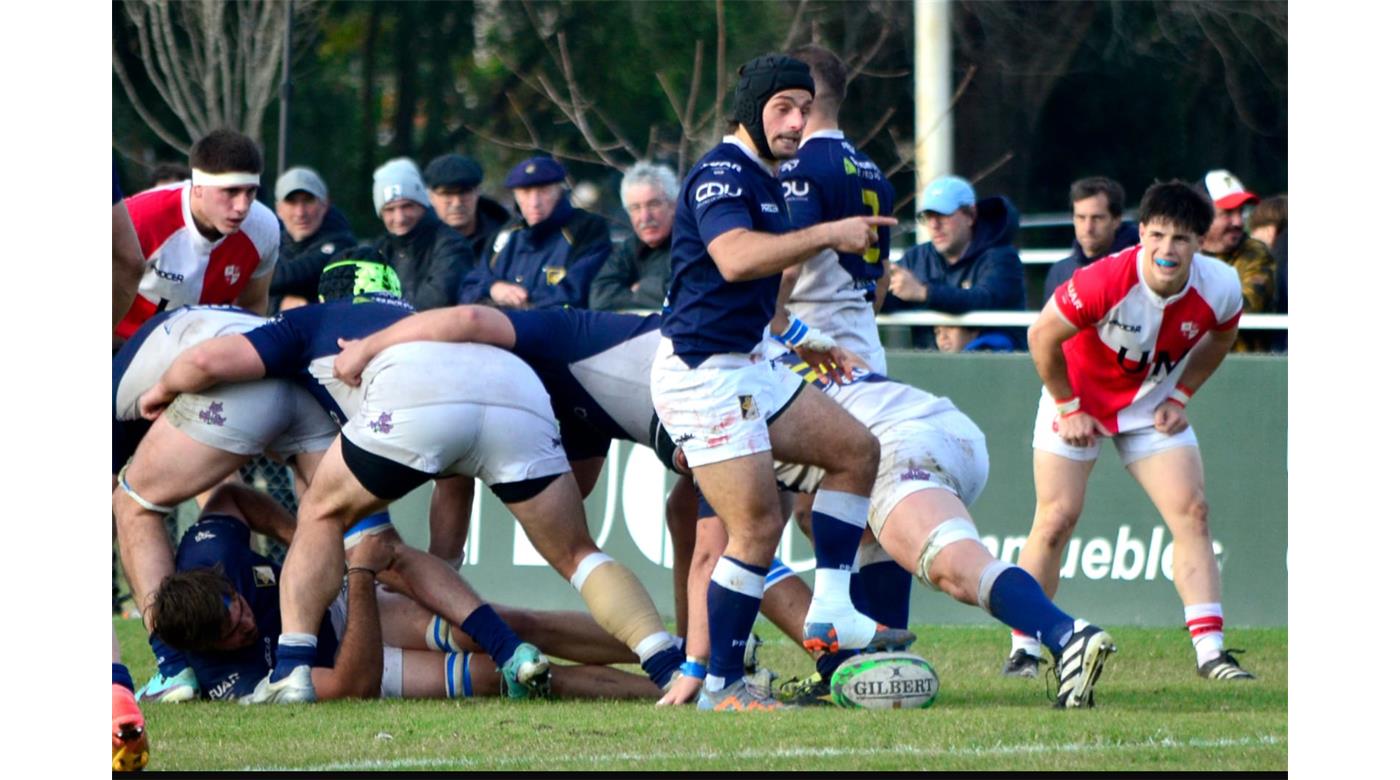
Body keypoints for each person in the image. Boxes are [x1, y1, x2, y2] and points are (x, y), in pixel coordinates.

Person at [137, 258, 683, 703]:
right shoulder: (423, 315)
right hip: (515, 388)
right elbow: (455, 475)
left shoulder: (313, 322)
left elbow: (208, 359)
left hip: (413, 398)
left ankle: (294, 669)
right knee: (577, 554)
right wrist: (438, 570)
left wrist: (157, 393)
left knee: (323, 514)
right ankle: (674, 663)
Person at [655, 347, 1117, 709]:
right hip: (929, 426)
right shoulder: (752, 357)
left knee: (948, 563)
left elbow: (717, 555)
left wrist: (697, 667)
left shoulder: (710, 416)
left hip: (900, 441)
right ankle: (859, 664)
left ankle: (1065, 634)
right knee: (847, 531)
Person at [651, 52, 903, 711]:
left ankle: (834, 610)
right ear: (749, 113)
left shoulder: (766, 174)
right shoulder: (721, 174)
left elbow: (760, 292)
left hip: (748, 361)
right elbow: (734, 261)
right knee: (757, 526)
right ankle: (723, 686)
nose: (797, 121)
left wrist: (798, 339)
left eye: (803, 107)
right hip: (704, 375)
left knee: (857, 451)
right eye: (782, 109)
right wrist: (828, 232)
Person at [1006, 180, 1254, 682]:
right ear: (1140, 233)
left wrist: (1182, 395)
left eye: (1181, 239)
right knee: (1055, 519)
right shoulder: (1105, 280)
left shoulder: (1221, 286)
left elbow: (1223, 335)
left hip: (1151, 406)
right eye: (1157, 235)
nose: (1166, 250)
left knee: (1193, 513)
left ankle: (1211, 654)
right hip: (1076, 397)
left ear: (1199, 243)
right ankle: (1025, 649)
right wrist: (1069, 406)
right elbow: (1041, 336)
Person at [149, 484, 661, 703]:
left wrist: (301, 542)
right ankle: (674, 694)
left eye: (236, 607)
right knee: (502, 679)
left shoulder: (208, 554)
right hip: (343, 660)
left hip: (329, 606)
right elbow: (356, 681)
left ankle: (679, 659)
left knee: (504, 629)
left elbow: (232, 497)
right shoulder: (230, 680)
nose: (245, 621)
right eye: (232, 632)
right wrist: (359, 576)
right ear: (205, 648)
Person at [777, 43, 895, 374]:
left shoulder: (798, 169)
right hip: (866, 345)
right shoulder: (873, 170)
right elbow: (882, 276)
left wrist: (769, 321)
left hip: (813, 348)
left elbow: (788, 267)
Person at [115, 129, 280, 342]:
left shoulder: (264, 228)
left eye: (251, 192)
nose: (242, 206)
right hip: (123, 344)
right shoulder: (141, 217)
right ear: (199, 187)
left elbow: (252, 307)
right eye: (231, 191)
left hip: (203, 353)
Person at [885, 175, 1027, 349]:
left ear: (971, 215)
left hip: (993, 369)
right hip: (929, 368)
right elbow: (888, 300)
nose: (934, 225)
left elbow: (983, 299)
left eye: (943, 215)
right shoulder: (917, 258)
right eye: (928, 217)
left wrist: (923, 293)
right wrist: (878, 288)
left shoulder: (1003, 258)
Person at [456, 156, 611, 310]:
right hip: (502, 329)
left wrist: (523, 305)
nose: (534, 202)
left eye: (543, 191)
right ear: (515, 196)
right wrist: (493, 288)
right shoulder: (506, 234)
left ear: (559, 191)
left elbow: (576, 292)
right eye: (525, 193)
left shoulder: (586, 228)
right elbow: (469, 287)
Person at [370, 157, 476, 311]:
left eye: (407, 206)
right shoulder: (380, 249)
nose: (399, 218)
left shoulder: (451, 245)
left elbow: (439, 299)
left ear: (423, 204)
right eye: (390, 209)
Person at [1200, 169, 1275, 352]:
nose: (1239, 222)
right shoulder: (1180, 251)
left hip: (1240, 368)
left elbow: (1244, 307)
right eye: (1227, 213)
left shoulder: (1255, 253)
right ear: (1201, 215)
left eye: (1241, 212)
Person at [588, 162, 677, 311]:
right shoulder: (628, 248)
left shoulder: (690, 245)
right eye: (635, 208)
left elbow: (682, 293)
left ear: (673, 206)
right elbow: (599, 297)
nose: (645, 217)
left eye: (653, 204)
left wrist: (640, 288)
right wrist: (647, 293)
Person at [1042, 177, 1139, 306]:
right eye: (1081, 218)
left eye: (1097, 218)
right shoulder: (1060, 272)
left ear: (1116, 220)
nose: (1088, 228)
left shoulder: (1139, 267)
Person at [270, 166, 356, 311]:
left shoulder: (342, 244)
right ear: (278, 209)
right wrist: (278, 303)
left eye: (308, 201)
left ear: (325, 203)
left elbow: (292, 274)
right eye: (292, 202)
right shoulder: (272, 243)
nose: (300, 212)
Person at [424, 153, 511, 264]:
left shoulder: (505, 239)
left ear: (478, 192)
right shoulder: (418, 242)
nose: (457, 203)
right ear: (431, 196)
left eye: (464, 192)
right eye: (447, 194)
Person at [933, 325, 1015, 353]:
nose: (943, 337)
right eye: (938, 332)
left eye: (950, 327)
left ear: (973, 332)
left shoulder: (992, 354)